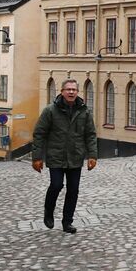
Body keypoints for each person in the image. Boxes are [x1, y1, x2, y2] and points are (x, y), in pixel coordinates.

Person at [32, 78, 98, 233]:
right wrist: (37, 157)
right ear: (61, 92)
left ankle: (67, 222)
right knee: (56, 185)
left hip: (75, 155)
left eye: (74, 90)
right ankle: (48, 211)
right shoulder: (50, 111)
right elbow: (39, 133)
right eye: (68, 89)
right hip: (56, 155)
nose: (71, 92)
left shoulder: (84, 111)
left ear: (77, 92)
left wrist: (92, 156)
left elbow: (90, 134)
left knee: (73, 189)